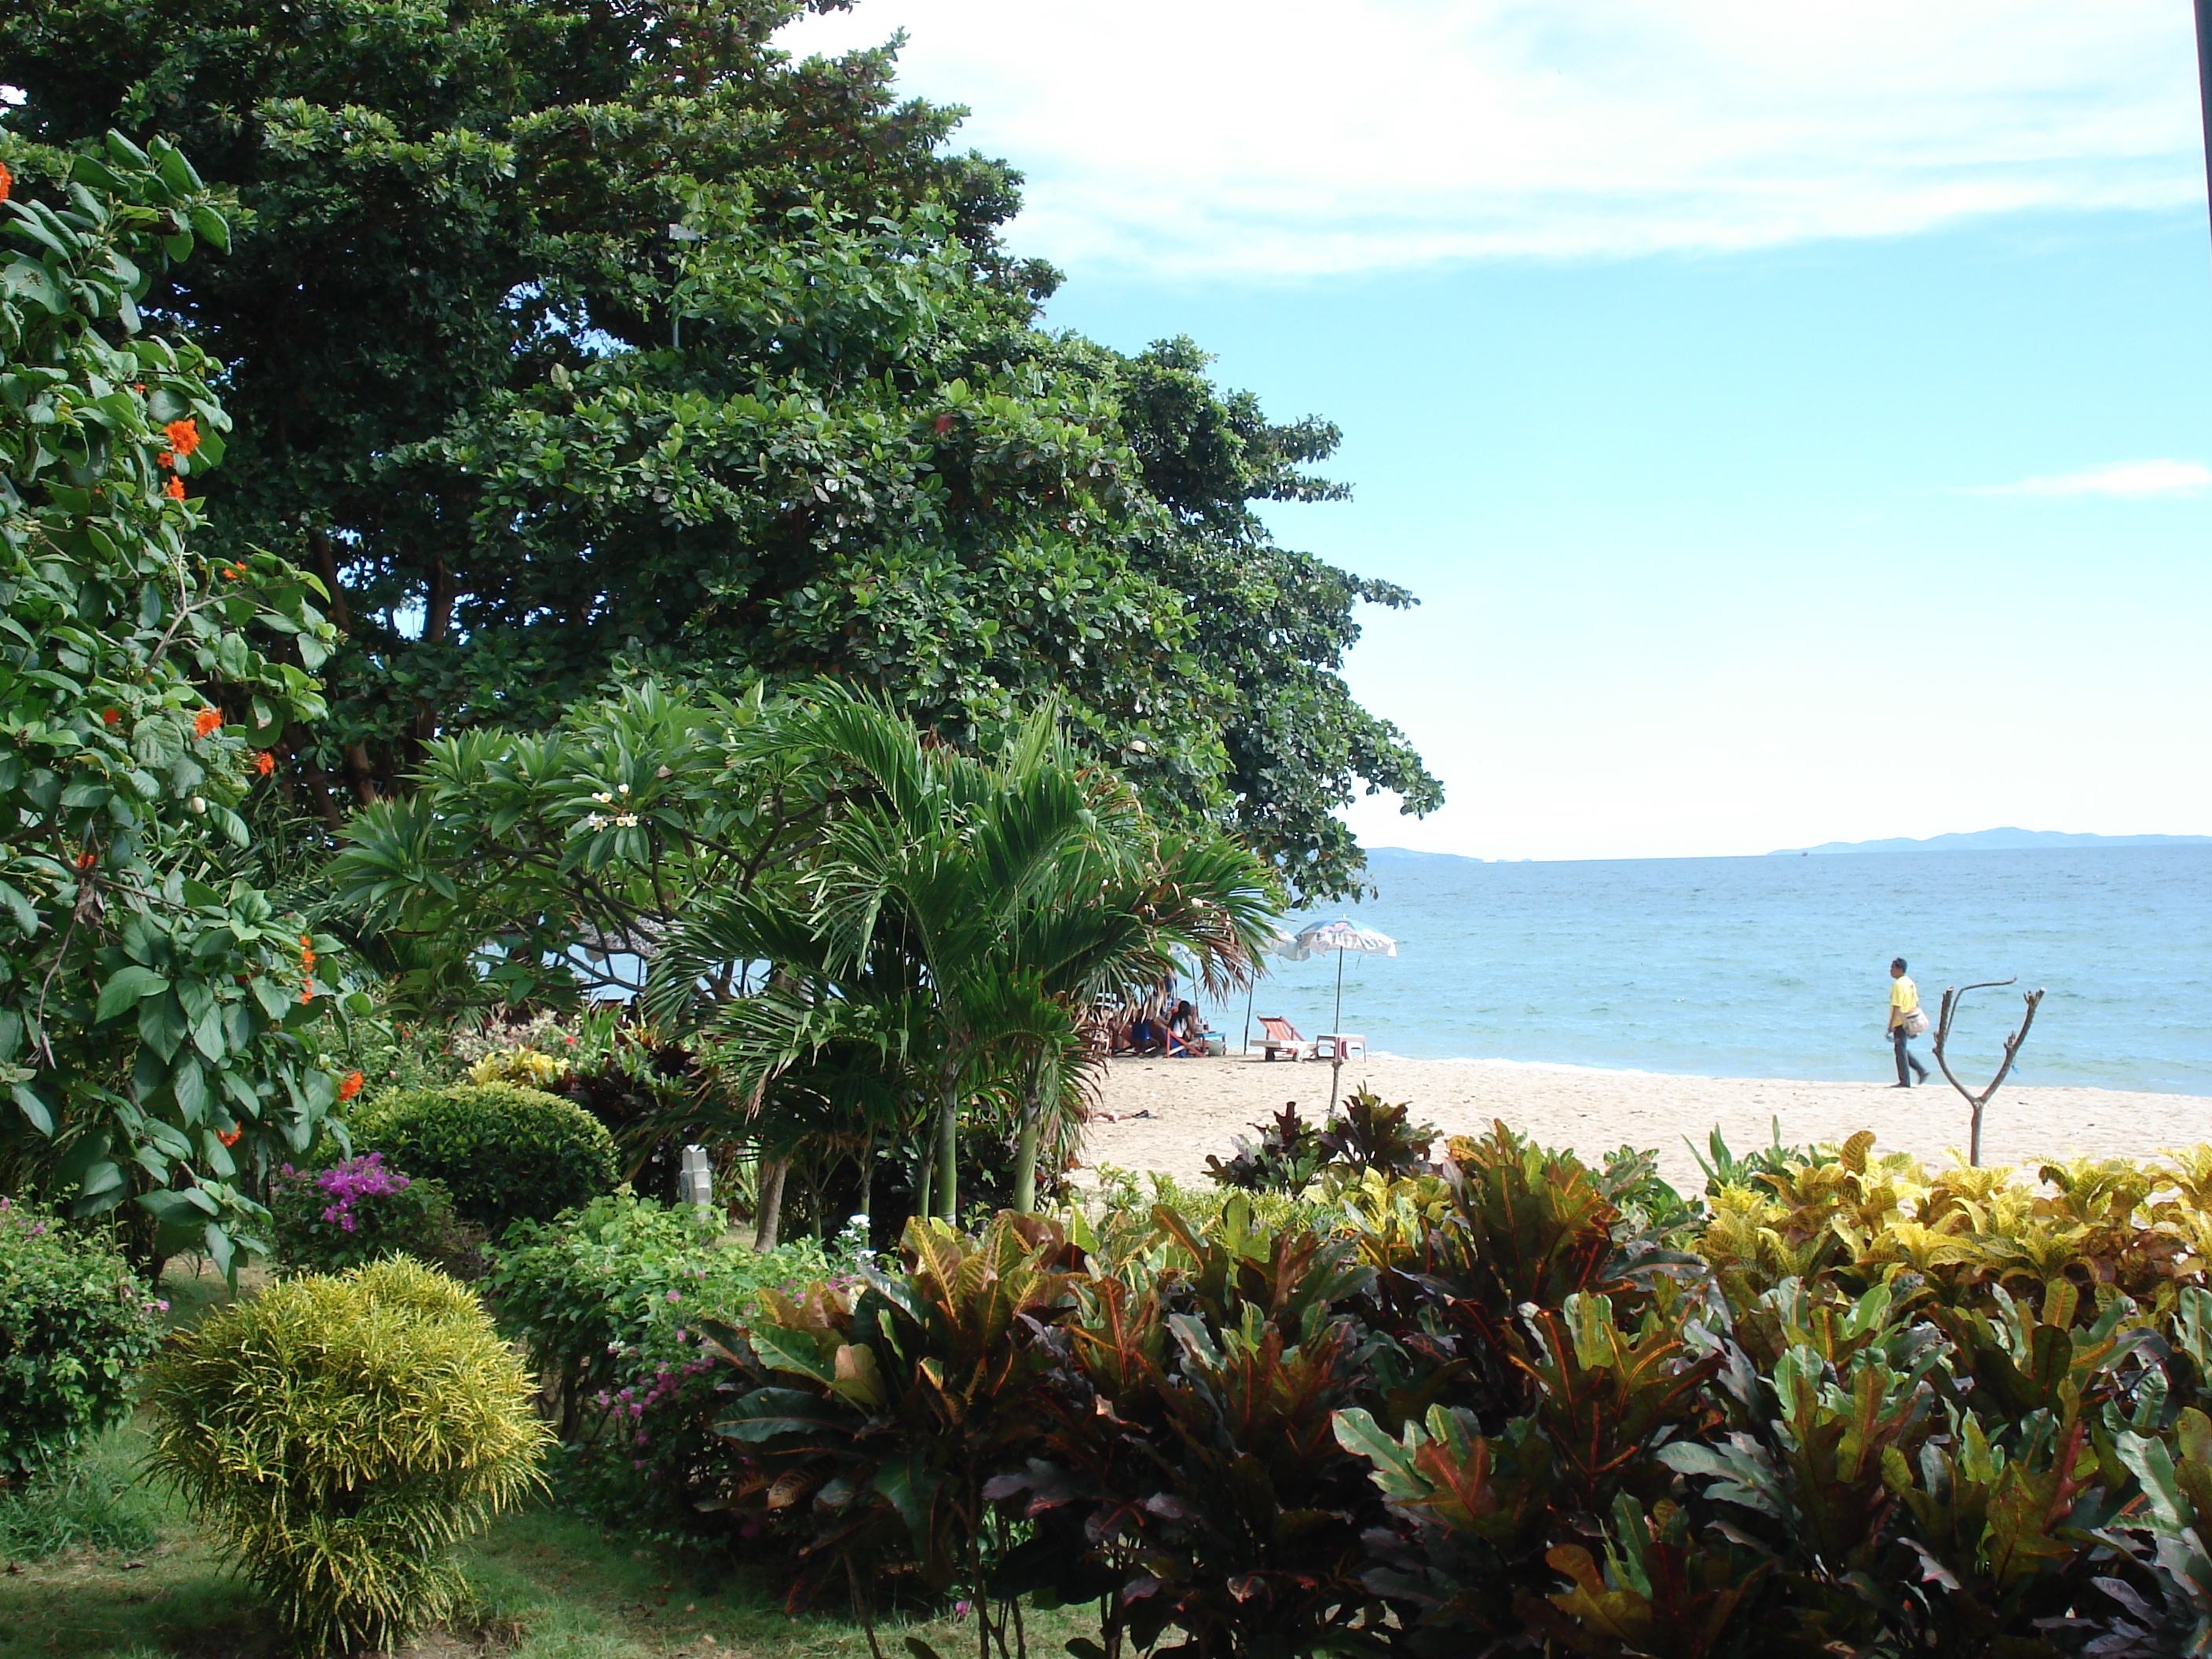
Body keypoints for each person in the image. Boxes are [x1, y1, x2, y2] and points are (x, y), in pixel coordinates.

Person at [1887, 957, 1930, 1087]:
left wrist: (1891, 1024)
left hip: (1901, 1021)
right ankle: (1921, 1071)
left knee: (1900, 1051)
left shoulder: (1898, 984)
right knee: (1901, 1049)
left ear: (1899, 969)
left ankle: (1905, 1081)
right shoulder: (1909, 982)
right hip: (1910, 1018)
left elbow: (1897, 1006)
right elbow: (1916, 1001)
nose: (1890, 971)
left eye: (1892, 968)